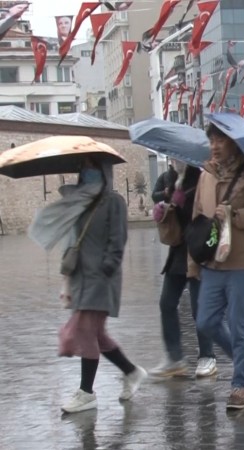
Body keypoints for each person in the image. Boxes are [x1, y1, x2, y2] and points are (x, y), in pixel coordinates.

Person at [28, 157, 147, 414]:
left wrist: (106, 268)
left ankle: (86, 392)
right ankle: (132, 371)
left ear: (104, 171)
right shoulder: (80, 200)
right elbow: (73, 241)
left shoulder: (113, 202)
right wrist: (67, 278)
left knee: (85, 332)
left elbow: (118, 241)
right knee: (97, 335)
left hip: (102, 279)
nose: (87, 171)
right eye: (84, 166)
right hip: (82, 277)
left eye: (93, 166)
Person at [189, 124, 244, 410]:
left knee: (239, 323)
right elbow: (197, 220)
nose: (215, 146)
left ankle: (240, 386)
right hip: (214, 262)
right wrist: (194, 262)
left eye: (221, 140)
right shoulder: (205, 175)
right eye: (212, 140)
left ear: (234, 144)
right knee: (205, 321)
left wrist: (234, 215)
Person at [149, 162, 217, 379]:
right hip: (178, 251)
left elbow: (203, 212)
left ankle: (207, 356)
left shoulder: (199, 177)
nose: (174, 161)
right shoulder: (169, 176)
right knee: (166, 303)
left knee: (199, 309)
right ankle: (174, 357)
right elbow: (155, 194)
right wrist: (167, 200)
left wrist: (182, 201)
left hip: (196, 249)